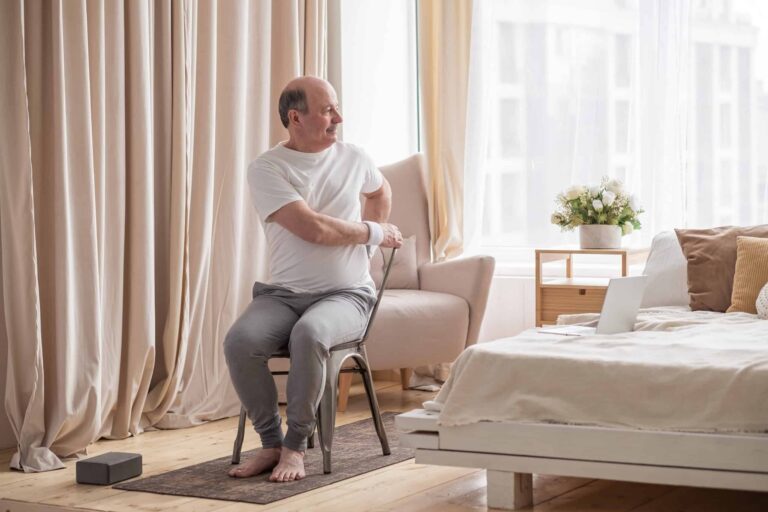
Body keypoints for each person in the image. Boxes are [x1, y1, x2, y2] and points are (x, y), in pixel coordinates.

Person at [224, 76, 403, 483]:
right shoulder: (268, 168)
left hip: (347, 296)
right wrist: (374, 233)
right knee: (240, 341)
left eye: (336, 108)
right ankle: (270, 443)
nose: (338, 118)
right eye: (327, 110)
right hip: (282, 296)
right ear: (295, 117)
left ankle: (295, 446)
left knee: (310, 334)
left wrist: (367, 248)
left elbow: (380, 191)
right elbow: (313, 229)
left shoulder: (354, 157)